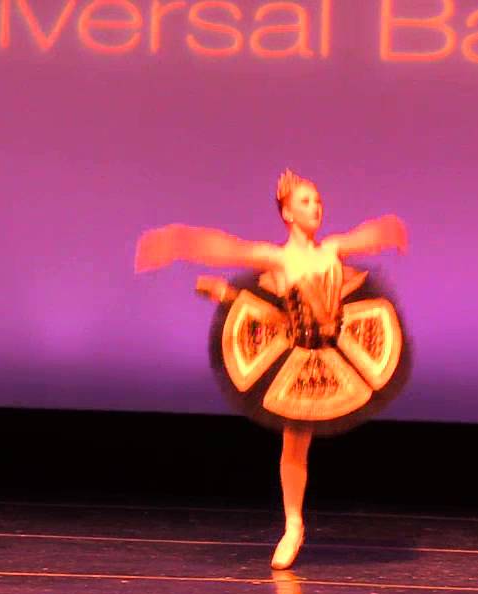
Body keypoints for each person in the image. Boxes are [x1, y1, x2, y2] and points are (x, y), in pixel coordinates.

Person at [134, 169, 409, 569]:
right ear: (287, 214)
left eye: (318, 201)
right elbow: (228, 249)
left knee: (310, 434)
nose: (315, 207)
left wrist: (385, 231)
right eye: (305, 202)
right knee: (295, 442)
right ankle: (293, 525)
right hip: (298, 358)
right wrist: (178, 241)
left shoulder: (331, 249)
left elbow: (361, 238)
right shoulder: (278, 258)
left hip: (340, 352)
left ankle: (226, 295)